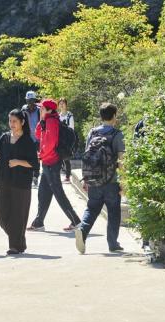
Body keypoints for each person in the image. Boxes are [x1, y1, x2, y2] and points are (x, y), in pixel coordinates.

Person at [75, 102, 126, 254]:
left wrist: (85, 179)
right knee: (113, 212)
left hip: (94, 179)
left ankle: (82, 230)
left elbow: (87, 157)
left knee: (92, 209)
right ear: (114, 116)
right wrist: (124, 182)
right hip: (111, 181)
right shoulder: (117, 135)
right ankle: (113, 243)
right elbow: (122, 161)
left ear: (101, 116)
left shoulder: (92, 133)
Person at [27, 100, 81, 233]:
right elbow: (38, 135)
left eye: (42, 108)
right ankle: (38, 222)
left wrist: (41, 155)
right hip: (48, 162)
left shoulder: (52, 121)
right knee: (43, 193)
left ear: (50, 110)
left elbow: (50, 143)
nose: (40, 110)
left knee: (58, 193)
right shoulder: (46, 120)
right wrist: (41, 120)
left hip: (51, 162)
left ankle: (76, 221)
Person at [0, 109, 39, 255]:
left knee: (18, 215)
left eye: (15, 121)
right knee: (1, 212)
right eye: (10, 121)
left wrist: (18, 162)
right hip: (4, 180)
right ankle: (19, 240)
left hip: (21, 183)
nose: (11, 124)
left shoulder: (28, 141)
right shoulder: (4, 137)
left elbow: (35, 164)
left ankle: (14, 245)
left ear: (22, 122)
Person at [21, 91, 41, 188]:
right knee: (27, 158)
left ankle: (36, 176)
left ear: (35, 100)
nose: (30, 103)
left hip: (38, 139)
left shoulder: (39, 110)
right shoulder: (23, 110)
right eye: (28, 101)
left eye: (32, 100)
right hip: (27, 138)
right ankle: (28, 176)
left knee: (37, 158)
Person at [58, 98, 74, 183]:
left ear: (66, 105)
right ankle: (58, 175)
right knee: (58, 158)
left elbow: (72, 129)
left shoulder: (69, 116)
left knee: (67, 159)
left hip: (67, 139)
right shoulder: (58, 116)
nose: (61, 105)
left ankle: (67, 176)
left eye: (63, 103)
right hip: (59, 139)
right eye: (60, 103)